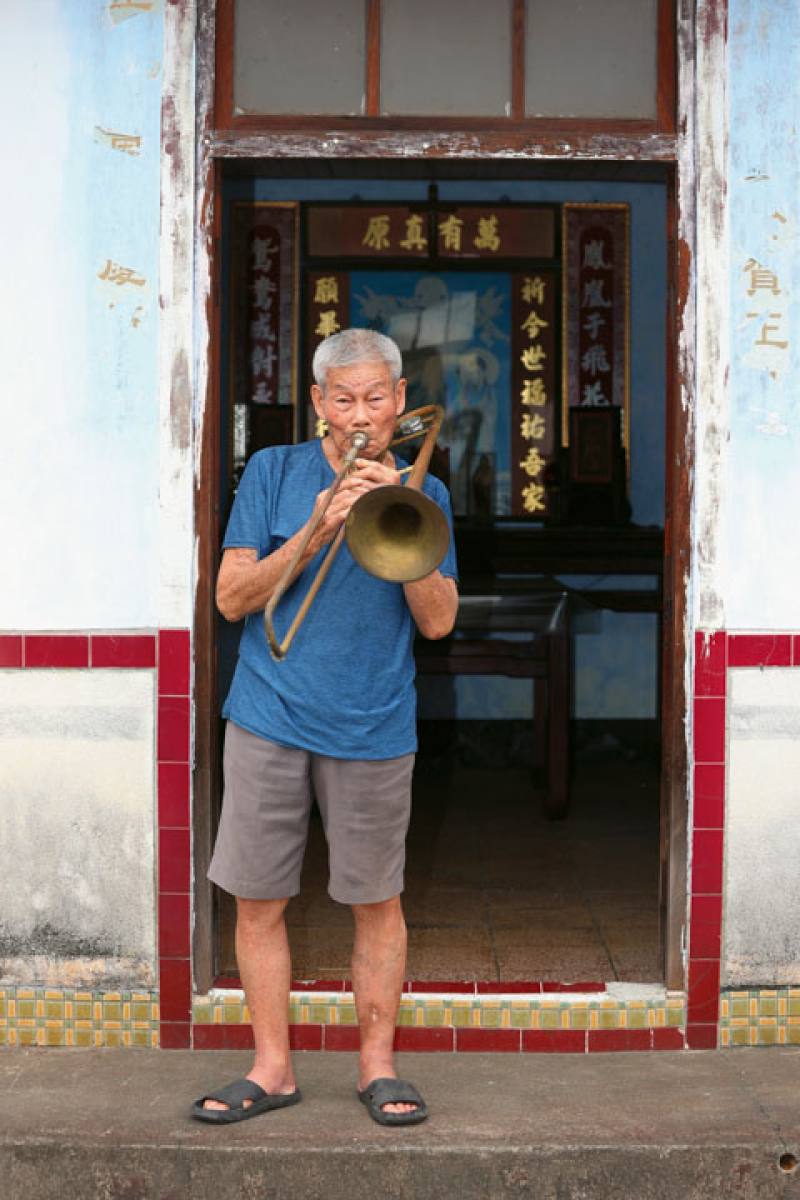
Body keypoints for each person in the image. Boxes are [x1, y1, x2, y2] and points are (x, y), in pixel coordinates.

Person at [192, 328, 458, 1128]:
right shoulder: (273, 473)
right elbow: (231, 599)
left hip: (374, 722)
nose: (361, 417)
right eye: (344, 400)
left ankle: (378, 1067)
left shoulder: (426, 492)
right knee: (258, 901)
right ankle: (272, 1069)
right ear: (318, 403)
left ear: (401, 401)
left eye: (376, 398)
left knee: (376, 902)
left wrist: (394, 509)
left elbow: (439, 623)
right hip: (267, 715)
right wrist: (313, 531)